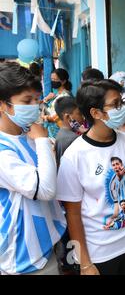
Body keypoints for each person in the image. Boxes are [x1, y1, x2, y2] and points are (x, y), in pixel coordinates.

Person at [56, 80, 125, 275]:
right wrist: (85, 262)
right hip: (100, 253)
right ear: (95, 113)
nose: (122, 108)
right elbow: (73, 214)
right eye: (116, 104)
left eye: (122, 102)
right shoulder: (75, 156)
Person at [0, 62, 66, 275]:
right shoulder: (5, 148)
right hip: (24, 258)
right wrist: (42, 142)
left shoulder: (27, 132)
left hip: (48, 243)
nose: (34, 106)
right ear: (3, 105)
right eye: (26, 101)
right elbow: (45, 190)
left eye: (37, 99)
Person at [54, 96, 88, 169]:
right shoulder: (73, 139)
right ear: (68, 117)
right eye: (79, 113)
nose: (83, 117)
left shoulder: (62, 134)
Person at [42, 68, 73, 139]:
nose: (53, 81)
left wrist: (44, 117)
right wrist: (46, 99)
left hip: (58, 133)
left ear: (63, 81)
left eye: (55, 80)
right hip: (52, 132)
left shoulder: (65, 96)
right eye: (51, 79)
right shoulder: (56, 94)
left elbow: (58, 116)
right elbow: (48, 109)